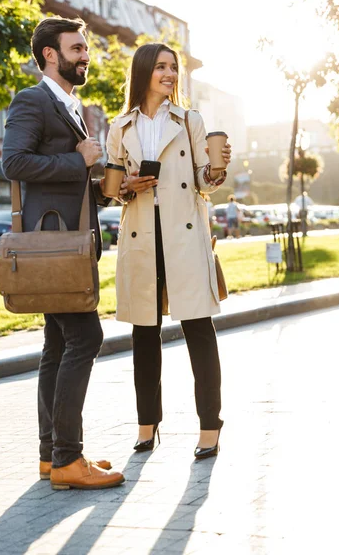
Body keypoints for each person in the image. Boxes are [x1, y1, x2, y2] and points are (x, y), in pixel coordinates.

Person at [2, 16, 124, 490]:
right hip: (49, 248)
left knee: (57, 345)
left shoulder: (72, 106)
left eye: (84, 48)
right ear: (50, 54)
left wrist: (108, 186)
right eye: (76, 48)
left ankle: (51, 456)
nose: (85, 55)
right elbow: (15, 162)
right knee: (85, 338)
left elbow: (69, 177)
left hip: (68, 245)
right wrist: (80, 160)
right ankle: (69, 460)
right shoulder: (33, 100)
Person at [106, 43, 232, 459]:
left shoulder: (190, 119)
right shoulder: (120, 126)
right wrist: (128, 187)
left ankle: (210, 426)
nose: (170, 74)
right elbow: (112, 189)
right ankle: (147, 425)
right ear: (144, 72)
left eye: (173, 68)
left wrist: (216, 170)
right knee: (144, 333)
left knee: (199, 329)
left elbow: (202, 178)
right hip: (142, 236)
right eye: (161, 67)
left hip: (183, 232)